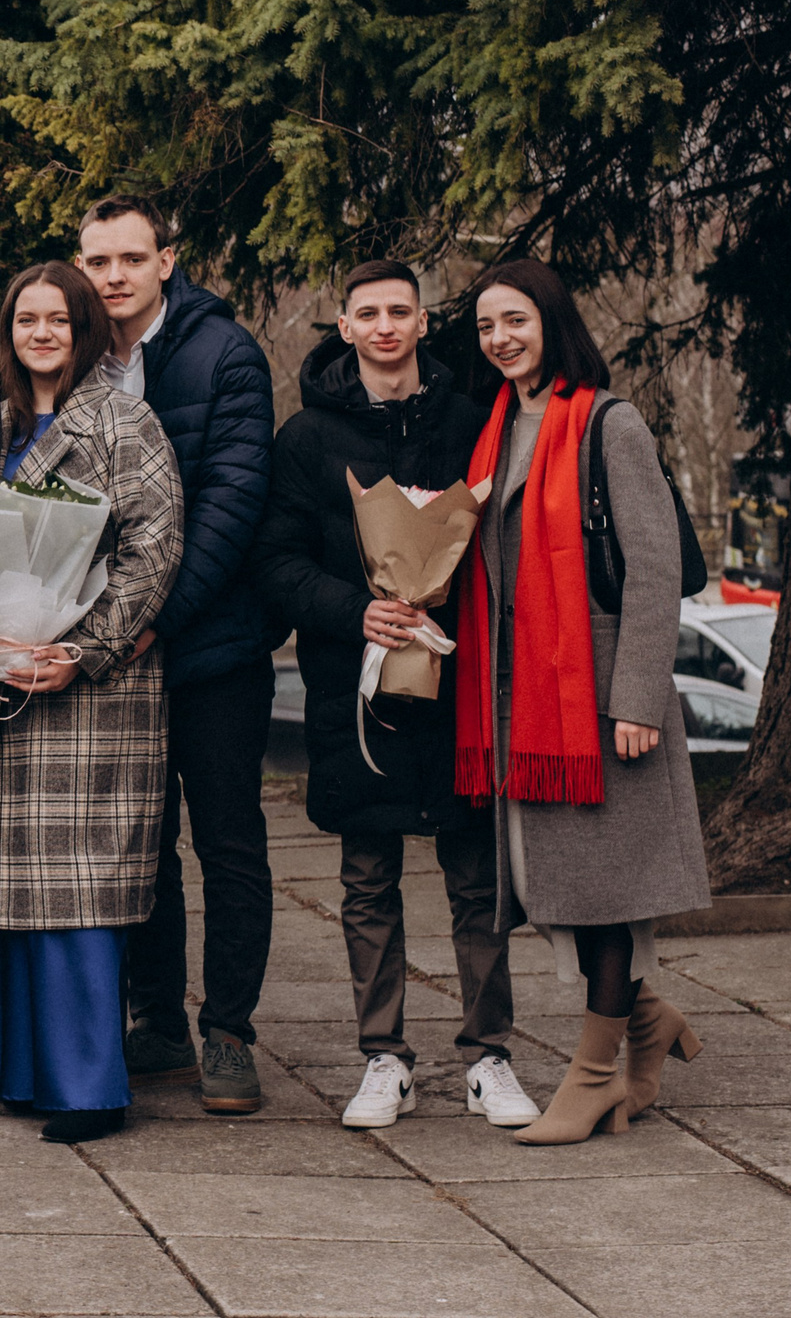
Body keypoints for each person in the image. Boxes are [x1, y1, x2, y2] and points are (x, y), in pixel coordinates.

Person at [252, 261, 537, 1131]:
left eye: (400, 311)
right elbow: (276, 563)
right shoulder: (305, 438)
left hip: (458, 681)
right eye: (367, 312)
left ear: (422, 323)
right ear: (344, 326)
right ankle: (385, 1056)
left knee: (476, 875)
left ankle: (491, 1054)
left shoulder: (472, 421)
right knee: (367, 874)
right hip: (357, 686)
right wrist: (357, 608)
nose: (384, 325)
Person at [464, 258, 710, 1144]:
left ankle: (595, 1075)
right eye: (487, 325)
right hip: (527, 693)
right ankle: (649, 1022)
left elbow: (655, 568)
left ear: (551, 320)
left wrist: (638, 694)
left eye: (515, 320)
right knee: (553, 886)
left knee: (605, 892)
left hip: (599, 693)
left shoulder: (608, 421)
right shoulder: (497, 427)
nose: (500, 339)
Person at [0, 262, 184, 1143]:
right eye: (27, 318)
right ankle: (23, 1068)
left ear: (87, 328)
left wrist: (82, 650)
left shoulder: (125, 418)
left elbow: (154, 547)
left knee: (81, 884)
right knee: (11, 882)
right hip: (6, 676)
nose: (42, 332)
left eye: (59, 318)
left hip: (94, 690)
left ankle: (90, 1087)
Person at [77, 196, 279, 1114]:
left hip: (212, 644)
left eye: (129, 258)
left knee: (228, 841)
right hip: (116, 648)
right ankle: (154, 1018)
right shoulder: (74, 353)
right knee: (138, 846)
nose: (112, 275)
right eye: (97, 261)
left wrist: (153, 616)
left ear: (168, 258)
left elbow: (233, 503)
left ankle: (228, 1030)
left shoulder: (223, 352)